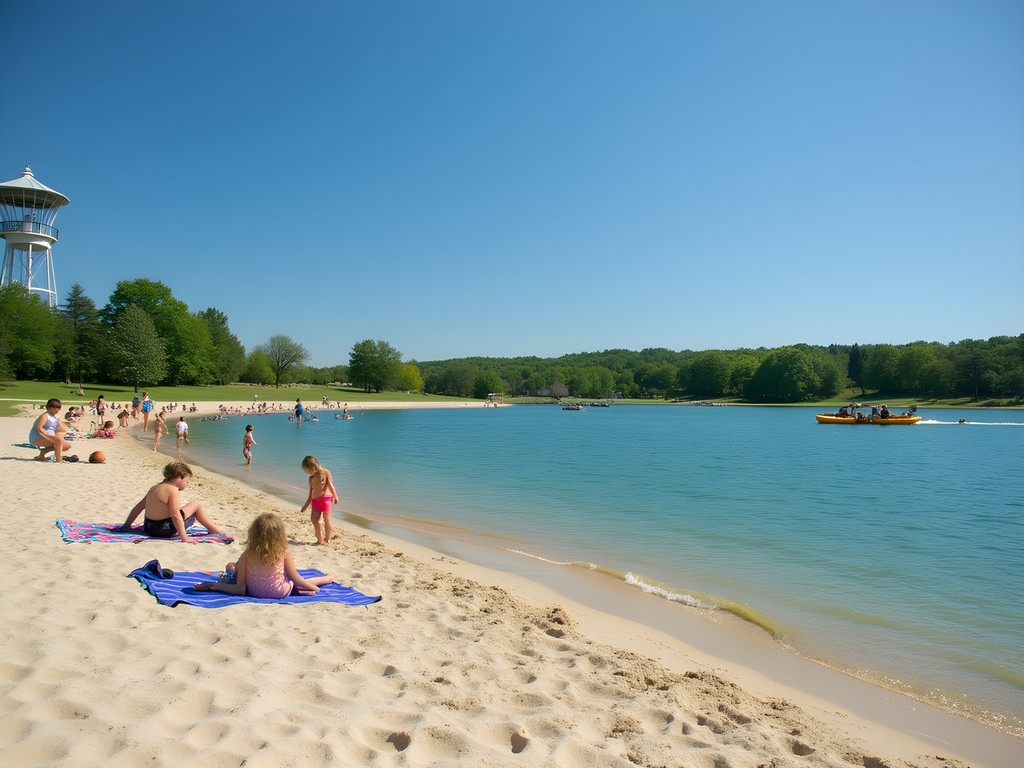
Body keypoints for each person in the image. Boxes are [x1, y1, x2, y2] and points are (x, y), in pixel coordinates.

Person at [193, 512, 334, 596]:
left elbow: (240, 589)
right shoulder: (283, 552)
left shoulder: (248, 553)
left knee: (234, 568)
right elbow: (296, 579)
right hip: (280, 592)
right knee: (291, 579)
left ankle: (324, 580)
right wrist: (314, 589)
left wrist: (216, 586)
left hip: (255, 591)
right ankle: (325, 580)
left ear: (253, 533)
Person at [119, 461, 227, 542]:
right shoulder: (172, 490)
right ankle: (214, 530)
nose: (187, 484)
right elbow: (175, 515)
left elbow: (138, 508)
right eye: (187, 481)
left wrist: (126, 525)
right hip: (164, 530)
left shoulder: (155, 487)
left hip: (149, 527)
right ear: (180, 477)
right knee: (196, 505)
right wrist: (184, 537)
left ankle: (212, 528)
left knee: (185, 512)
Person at [300, 455, 338, 545]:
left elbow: (330, 485)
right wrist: (305, 506)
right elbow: (310, 494)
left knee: (327, 519)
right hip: (315, 501)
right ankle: (319, 539)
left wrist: (335, 496)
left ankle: (327, 538)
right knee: (314, 519)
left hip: (326, 500)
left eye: (308, 471)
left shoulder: (326, 472)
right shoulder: (311, 478)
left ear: (313, 467)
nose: (307, 473)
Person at [29, 398, 73, 462]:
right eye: (55, 408)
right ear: (49, 407)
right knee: (58, 441)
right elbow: (39, 428)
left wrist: (64, 433)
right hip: (37, 437)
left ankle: (42, 454)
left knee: (67, 446)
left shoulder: (55, 417)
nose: (57, 410)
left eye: (59, 408)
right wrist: (51, 436)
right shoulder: (45, 416)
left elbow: (57, 429)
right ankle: (58, 459)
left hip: (48, 436)